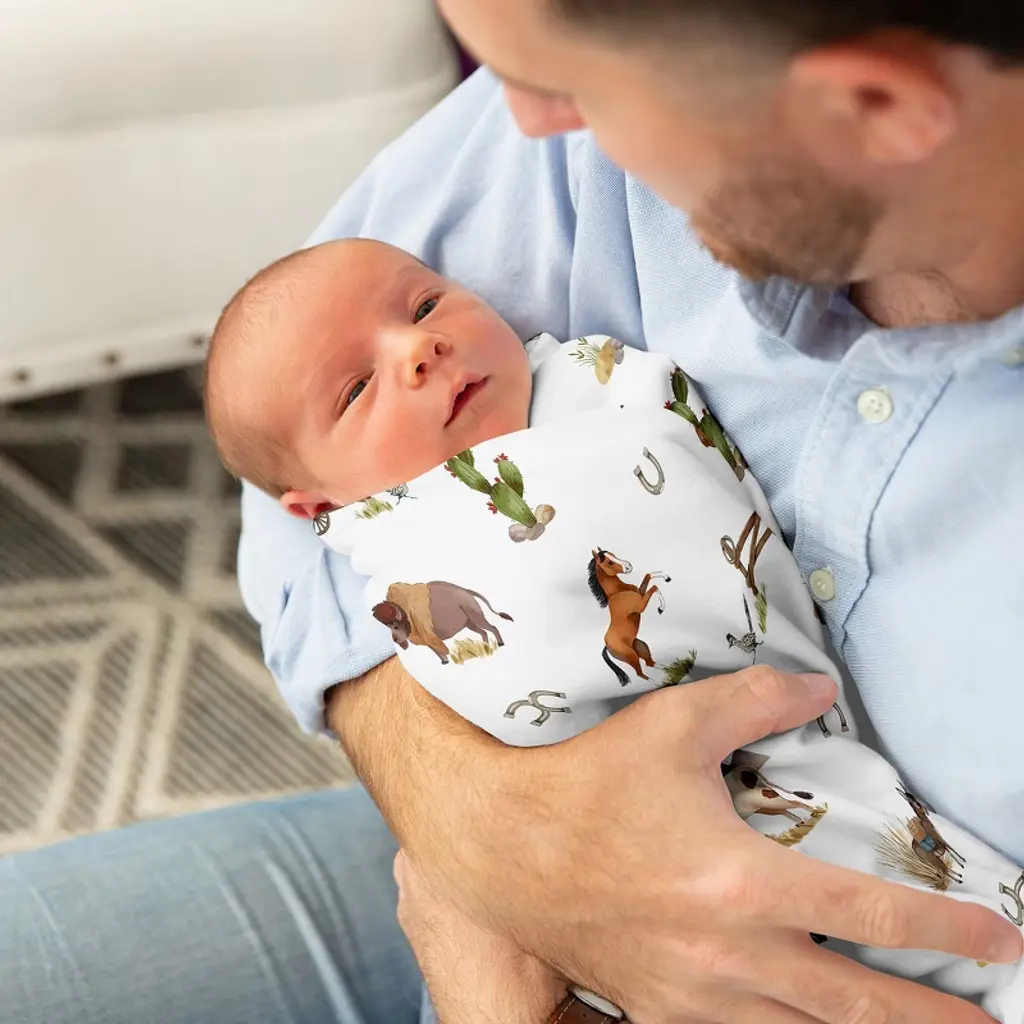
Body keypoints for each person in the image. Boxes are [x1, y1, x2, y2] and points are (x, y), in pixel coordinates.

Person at [2, 3, 1024, 1023]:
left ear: (874, 109)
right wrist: (484, 830)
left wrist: (491, 999)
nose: (523, 119)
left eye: (575, 87)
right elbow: (283, 436)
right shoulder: (617, 92)